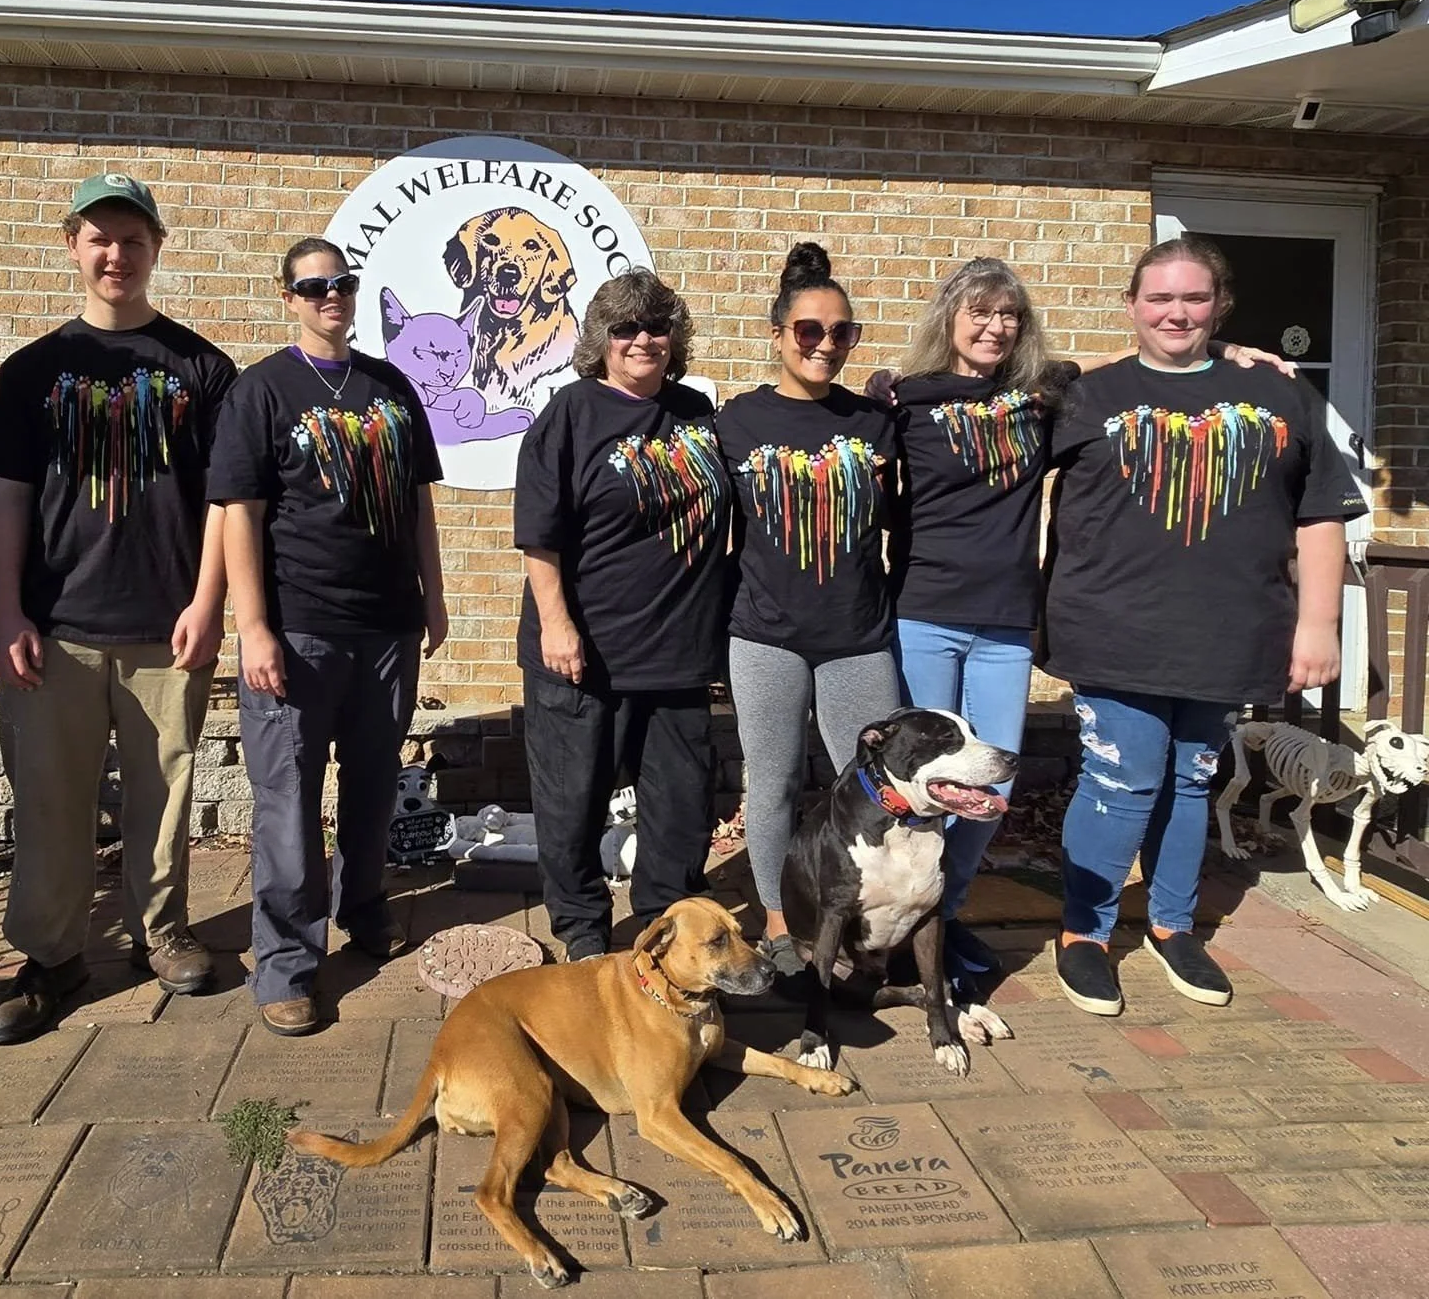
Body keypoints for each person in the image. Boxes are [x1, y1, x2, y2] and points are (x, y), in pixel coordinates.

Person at [872, 257, 1295, 985]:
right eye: (979, 312)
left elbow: (1135, 356)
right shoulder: (903, 398)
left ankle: (947, 913)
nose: (994, 327)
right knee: (923, 782)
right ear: (949, 318)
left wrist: (1224, 348)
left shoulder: (1039, 395)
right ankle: (903, 932)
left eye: (1008, 315)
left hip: (1006, 621)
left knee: (992, 787)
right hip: (923, 614)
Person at [1042, 235, 1362, 1016]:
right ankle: (1085, 932)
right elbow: (1000, 400)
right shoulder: (1086, 396)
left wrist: (1319, 625)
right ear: (1131, 306)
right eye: (1158, 298)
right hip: (1112, 627)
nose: (1175, 313)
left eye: (1194, 298)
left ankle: (1172, 924)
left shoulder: (1280, 394)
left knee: (1190, 782)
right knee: (1122, 778)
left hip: (1230, 630)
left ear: (1221, 305)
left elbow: (1320, 515)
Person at [0, 172, 237, 1045]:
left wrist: (210, 601)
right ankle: (50, 958)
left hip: (168, 625)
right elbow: (4, 496)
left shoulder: (202, 368)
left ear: (156, 248)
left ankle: (162, 934)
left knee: (165, 794)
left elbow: (227, 501)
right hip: (56, 630)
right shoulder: (31, 371)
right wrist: (6, 613)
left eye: (132, 239)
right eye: (99, 238)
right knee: (51, 804)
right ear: (73, 247)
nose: (116, 254)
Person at [210, 237, 447, 1035]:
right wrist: (253, 629)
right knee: (289, 799)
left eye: (341, 283)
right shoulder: (261, 391)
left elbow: (417, 501)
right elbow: (238, 514)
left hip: (387, 627)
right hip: (299, 630)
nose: (330, 296)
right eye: (313, 287)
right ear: (290, 299)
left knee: (373, 784)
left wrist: (434, 598)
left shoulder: (390, 386)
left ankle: (365, 907)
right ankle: (285, 964)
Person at [513, 268, 730, 964]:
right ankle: (582, 931)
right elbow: (539, 535)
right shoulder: (571, 414)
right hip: (587, 652)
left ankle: (665, 927)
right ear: (600, 340)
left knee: (681, 806)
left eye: (657, 327)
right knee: (572, 802)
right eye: (625, 328)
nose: (643, 340)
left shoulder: (697, 413)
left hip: (679, 654)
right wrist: (557, 624)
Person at [716, 243, 901, 983]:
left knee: (873, 786)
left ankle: (865, 923)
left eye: (841, 332)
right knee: (774, 783)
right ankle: (779, 922)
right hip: (766, 635)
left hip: (857, 635)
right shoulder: (737, 422)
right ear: (778, 335)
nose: (825, 344)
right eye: (808, 330)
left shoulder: (876, 421)